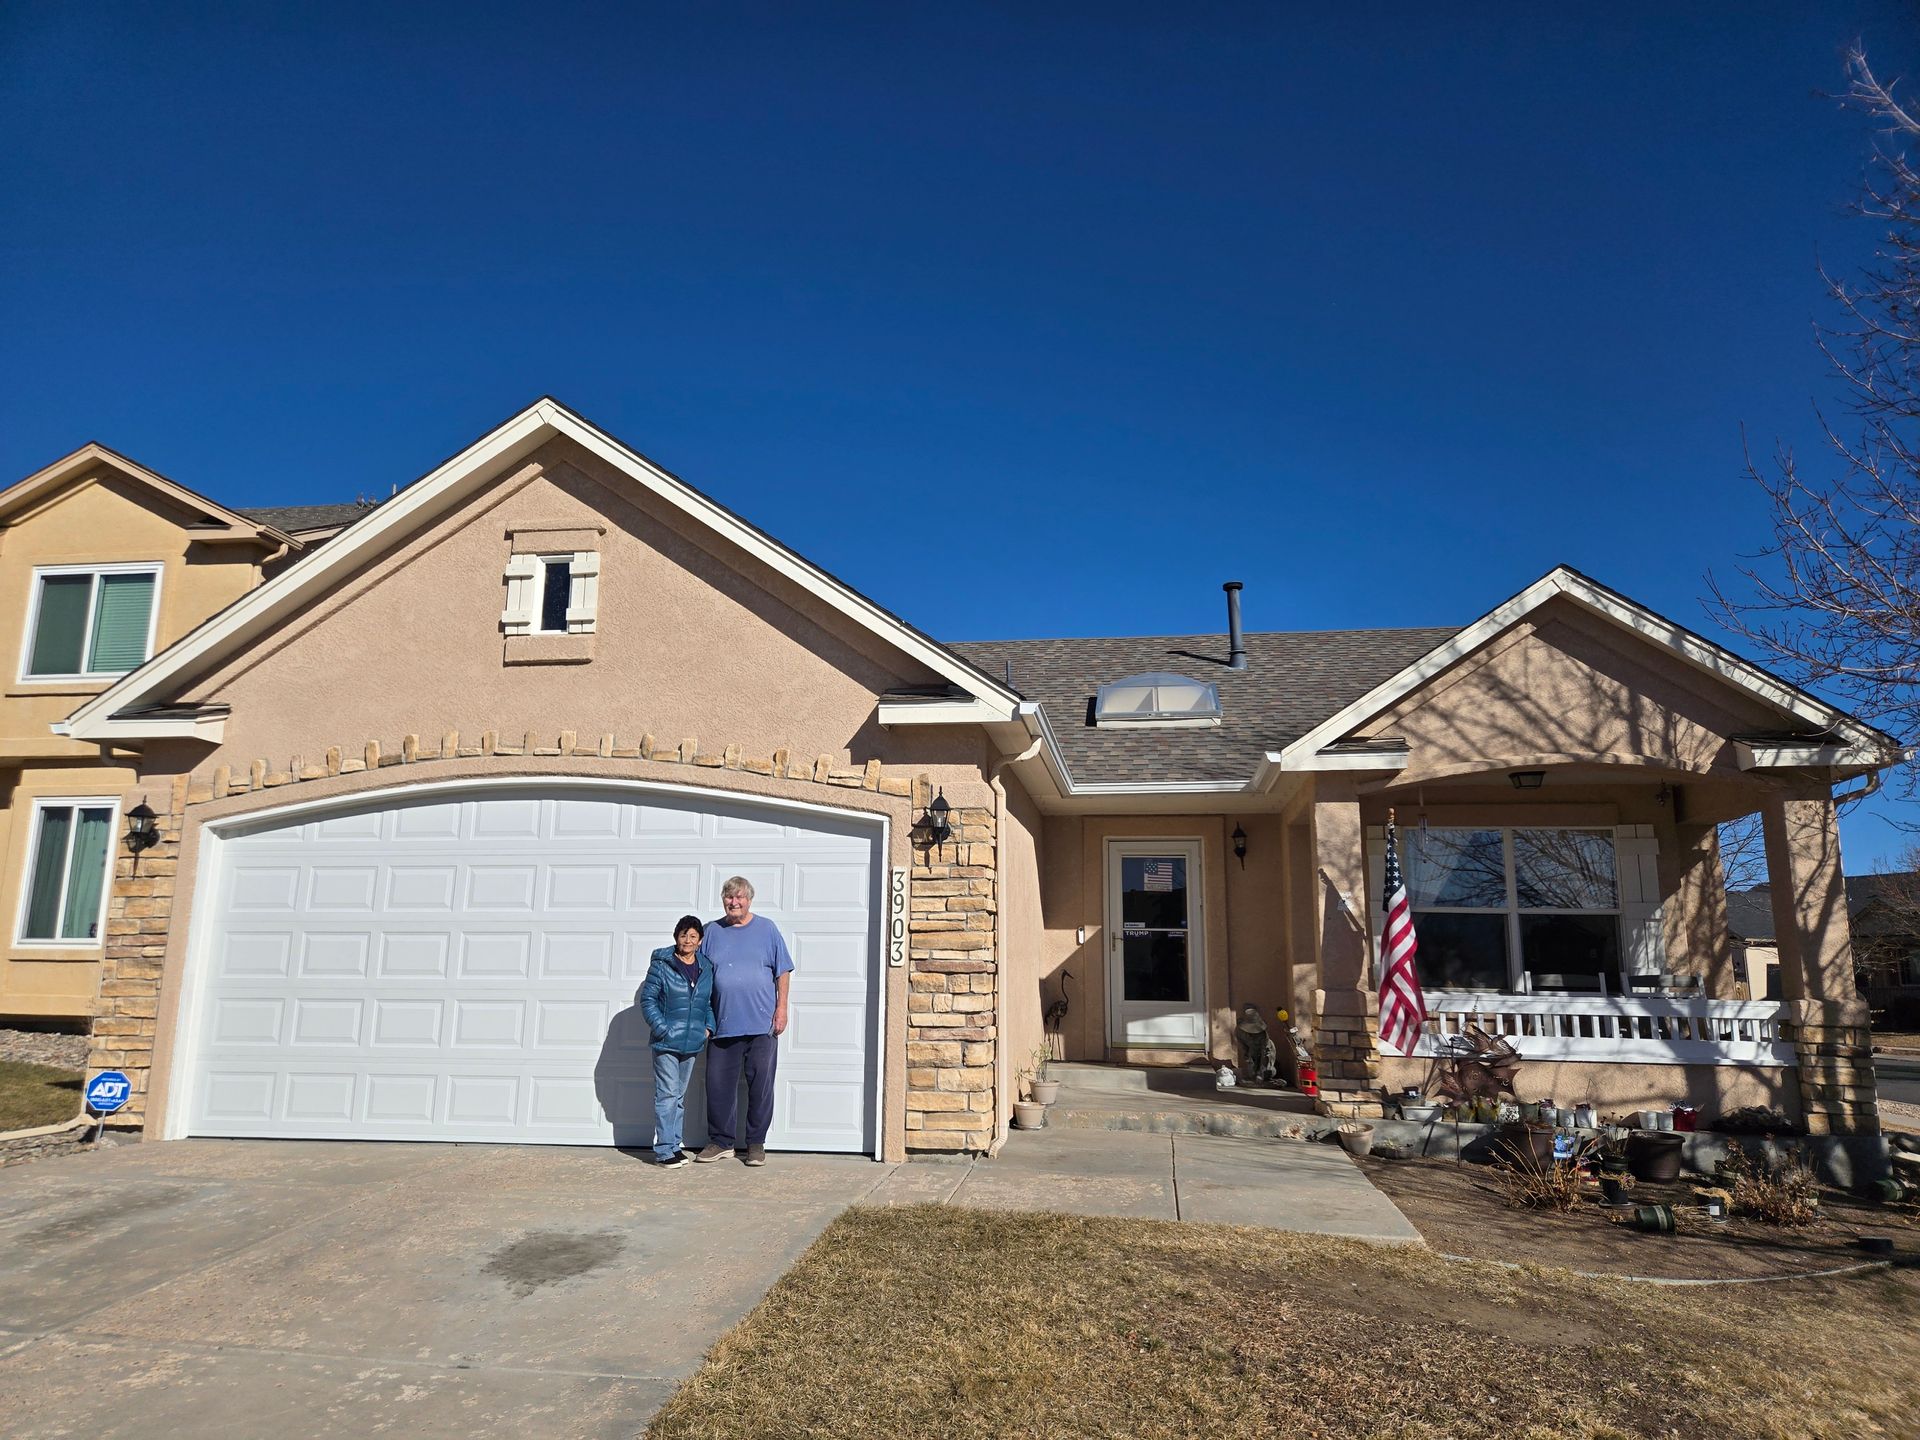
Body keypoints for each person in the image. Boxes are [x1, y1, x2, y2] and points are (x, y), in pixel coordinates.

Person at [693, 875, 792, 1166]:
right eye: (729, 897)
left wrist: (782, 1008)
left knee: (760, 1086)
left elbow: (782, 971)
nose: (733, 902)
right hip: (722, 1025)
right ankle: (721, 1142)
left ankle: (755, 1144)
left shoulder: (767, 929)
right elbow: (696, 971)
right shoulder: (711, 931)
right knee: (718, 1085)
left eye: (739, 897)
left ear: (749, 900)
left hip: (762, 1024)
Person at [638, 914, 714, 1168]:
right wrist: (662, 1028)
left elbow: (708, 1003)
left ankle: (674, 1145)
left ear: (700, 940)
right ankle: (663, 1151)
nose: (688, 940)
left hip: (692, 1042)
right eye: (684, 935)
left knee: (678, 1096)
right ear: (676, 937)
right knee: (667, 1095)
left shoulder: (706, 967)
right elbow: (648, 1000)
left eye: (693, 936)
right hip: (666, 1042)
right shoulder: (662, 965)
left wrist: (708, 1028)